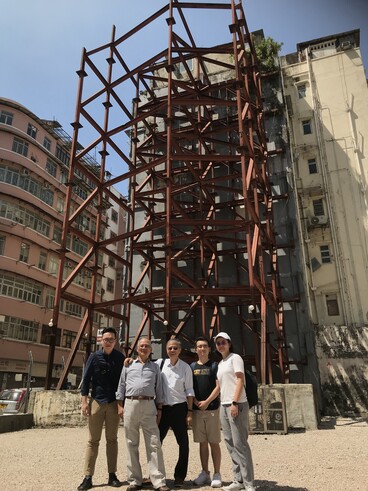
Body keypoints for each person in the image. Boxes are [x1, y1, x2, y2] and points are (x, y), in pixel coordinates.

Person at [116, 337, 169, 491]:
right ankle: (134, 480)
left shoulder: (155, 368)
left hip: (149, 405)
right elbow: (121, 385)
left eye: (147, 346)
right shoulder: (128, 365)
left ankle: (158, 481)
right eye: (141, 346)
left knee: (154, 443)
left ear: (151, 350)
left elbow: (159, 388)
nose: (144, 348)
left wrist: (159, 408)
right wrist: (120, 406)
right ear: (137, 349)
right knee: (131, 442)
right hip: (130, 404)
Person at [78, 327, 125, 491]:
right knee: (93, 441)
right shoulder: (94, 357)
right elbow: (86, 380)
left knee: (112, 440)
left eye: (111, 339)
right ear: (101, 340)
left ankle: (112, 475)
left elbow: (124, 382)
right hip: (96, 402)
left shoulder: (120, 358)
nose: (108, 342)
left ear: (115, 341)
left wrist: (121, 404)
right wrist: (84, 402)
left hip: (113, 403)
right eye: (106, 339)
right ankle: (88, 476)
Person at [214, 332, 255, 491]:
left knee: (240, 444)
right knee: (230, 444)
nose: (220, 345)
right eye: (218, 343)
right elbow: (220, 386)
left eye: (223, 342)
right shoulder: (221, 363)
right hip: (223, 405)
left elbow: (240, 379)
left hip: (236, 403)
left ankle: (249, 483)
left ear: (229, 343)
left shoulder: (235, 358)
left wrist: (234, 402)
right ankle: (238, 480)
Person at [158, 338, 195, 487]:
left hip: (180, 408)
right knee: (156, 443)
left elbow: (189, 390)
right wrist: (129, 360)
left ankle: (180, 476)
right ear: (166, 350)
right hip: (163, 409)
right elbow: (143, 364)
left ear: (180, 350)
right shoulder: (160, 364)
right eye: (169, 348)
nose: (172, 350)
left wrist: (190, 412)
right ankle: (156, 475)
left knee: (183, 443)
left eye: (175, 348)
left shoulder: (185, 368)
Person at [191, 337, 222, 488]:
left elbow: (218, 386)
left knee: (214, 442)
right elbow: (189, 388)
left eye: (205, 346)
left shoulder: (215, 365)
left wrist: (207, 402)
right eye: (199, 346)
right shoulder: (191, 367)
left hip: (212, 410)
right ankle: (205, 472)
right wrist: (196, 402)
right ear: (195, 350)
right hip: (197, 411)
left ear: (209, 349)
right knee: (202, 443)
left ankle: (217, 473)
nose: (202, 349)